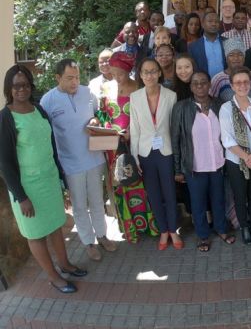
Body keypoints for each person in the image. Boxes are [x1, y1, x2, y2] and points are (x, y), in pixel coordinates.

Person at [0, 65, 87, 294]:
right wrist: (21, 197)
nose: (21, 89)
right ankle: (54, 277)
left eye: (26, 84)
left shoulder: (39, 109)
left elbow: (51, 147)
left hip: (48, 181)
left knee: (56, 226)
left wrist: (60, 180)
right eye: (16, 85)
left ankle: (65, 264)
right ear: (9, 88)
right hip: (27, 187)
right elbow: (5, 163)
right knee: (36, 234)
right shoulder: (5, 117)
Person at [40, 59, 116, 261]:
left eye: (77, 77)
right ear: (58, 78)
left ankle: (102, 235)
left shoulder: (88, 93)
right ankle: (88, 242)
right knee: (80, 205)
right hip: (70, 163)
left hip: (94, 158)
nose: (75, 82)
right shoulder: (48, 101)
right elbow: (45, 133)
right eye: (69, 78)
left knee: (97, 201)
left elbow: (100, 114)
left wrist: (96, 119)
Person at [171, 71, 235, 252]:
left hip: (218, 163)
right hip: (195, 167)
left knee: (219, 200)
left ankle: (221, 229)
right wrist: (177, 169)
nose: (200, 86)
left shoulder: (219, 105)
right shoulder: (181, 108)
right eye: (195, 83)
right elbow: (175, 140)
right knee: (198, 204)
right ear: (191, 86)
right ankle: (203, 236)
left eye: (203, 82)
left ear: (209, 84)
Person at [99, 52, 159, 243]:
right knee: (120, 184)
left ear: (128, 70)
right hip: (113, 147)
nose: (116, 78)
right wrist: (103, 125)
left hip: (136, 144)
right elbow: (103, 114)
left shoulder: (139, 88)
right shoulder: (105, 88)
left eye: (121, 74)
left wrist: (131, 132)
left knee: (139, 183)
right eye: (113, 73)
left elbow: (147, 116)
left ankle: (149, 225)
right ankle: (128, 227)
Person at [130, 58, 181, 250]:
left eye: (153, 71)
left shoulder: (170, 95)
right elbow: (134, 129)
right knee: (153, 194)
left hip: (165, 150)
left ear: (159, 73)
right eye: (145, 72)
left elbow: (174, 127)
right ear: (141, 75)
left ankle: (173, 230)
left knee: (170, 192)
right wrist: (135, 157)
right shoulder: (135, 97)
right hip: (145, 151)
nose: (149, 75)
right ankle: (163, 231)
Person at [220, 67, 251, 245]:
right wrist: (247, 158)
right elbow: (227, 140)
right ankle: (244, 227)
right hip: (236, 161)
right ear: (232, 86)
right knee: (240, 196)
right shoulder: (226, 108)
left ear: (250, 83)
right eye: (238, 82)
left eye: (246, 82)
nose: (242, 85)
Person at [189, 12, 227, 77]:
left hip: (225, 81)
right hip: (204, 82)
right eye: (210, 21)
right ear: (203, 24)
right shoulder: (193, 46)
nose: (214, 24)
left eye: (216, 22)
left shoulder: (227, 42)